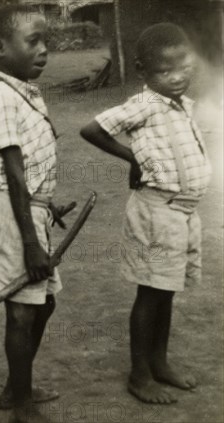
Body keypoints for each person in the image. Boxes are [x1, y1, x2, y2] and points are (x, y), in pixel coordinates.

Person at [80, 23, 211, 404]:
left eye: (184, 68)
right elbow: (93, 129)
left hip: (182, 214)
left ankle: (159, 363)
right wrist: (132, 156)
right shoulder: (144, 105)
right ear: (143, 72)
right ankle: (140, 375)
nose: (177, 78)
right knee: (150, 295)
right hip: (157, 212)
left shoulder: (182, 106)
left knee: (166, 291)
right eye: (165, 72)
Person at [0, 5, 74, 422]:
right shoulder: (2, 98)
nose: (44, 50)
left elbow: (29, 168)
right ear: (0, 48)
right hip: (14, 216)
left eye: (45, 40)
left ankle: (18, 386)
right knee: (22, 310)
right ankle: (22, 405)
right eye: (33, 41)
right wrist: (30, 241)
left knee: (43, 305)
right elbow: (13, 173)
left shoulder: (23, 91)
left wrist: (47, 207)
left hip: (30, 211)